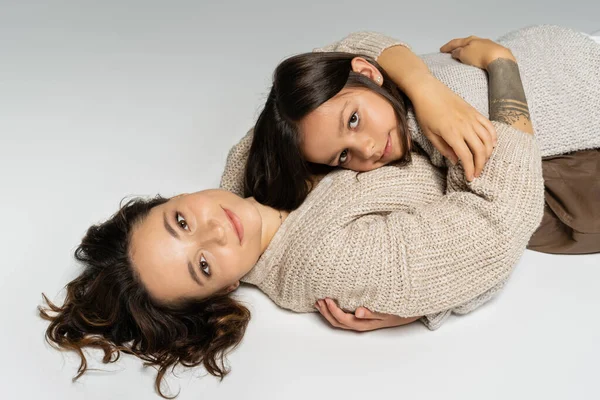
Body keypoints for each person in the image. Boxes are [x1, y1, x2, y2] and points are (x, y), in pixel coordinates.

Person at [40, 27, 598, 397]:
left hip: (560, 66)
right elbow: (502, 219)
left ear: (173, 200)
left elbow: (351, 49)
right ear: (220, 294)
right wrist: (501, 66)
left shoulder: (250, 170)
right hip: (573, 147)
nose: (213, 231)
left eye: (181, 223)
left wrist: (425, 90)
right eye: (203, 267)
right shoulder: (323, 261)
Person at [221, 25, 600, 256]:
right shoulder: (372, 88)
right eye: (342, 156)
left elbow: (501, 223)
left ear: (367, 71)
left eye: (354, 120)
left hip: (570, 63)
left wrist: (497, 64)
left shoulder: (443, 127)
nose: (366, 149)